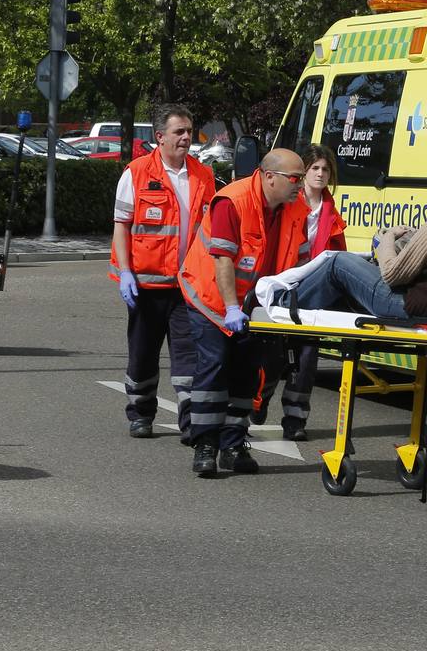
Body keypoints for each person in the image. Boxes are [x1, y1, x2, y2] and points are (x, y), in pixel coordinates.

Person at [178, 148, 306, 477]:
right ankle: (204, 444)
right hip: (212, 300)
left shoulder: (295, 208)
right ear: (269, 177)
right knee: (214, 366)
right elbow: (223, 260)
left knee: (247, 373)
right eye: (295, 178)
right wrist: (232, 308)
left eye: (302, 179)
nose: (299, 186)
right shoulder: (231, 202)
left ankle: (233, 445)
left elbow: (302, 260)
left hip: (255, 306)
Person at [268, 155, 427, 321]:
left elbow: (393, 274)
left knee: (338, 263)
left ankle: (283, 305)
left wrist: (388, 238)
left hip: (409, 307)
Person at [109, 104, 215, 440]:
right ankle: (141, 413)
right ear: (159, 137)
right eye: (179, 132)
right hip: (146, 284)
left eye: (189, 131)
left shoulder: (203, 175)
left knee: (189, 358)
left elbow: (211, 229)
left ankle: (190, 421)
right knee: (143, 355)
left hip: (187, 286)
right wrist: (126, 272)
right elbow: (121, 226)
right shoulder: (137, 172)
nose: (186, 138)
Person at [254, 144, 346, 442]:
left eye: (325, 169)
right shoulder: (289, 202)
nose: (320, 174)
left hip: (313, 293)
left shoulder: (332, 213)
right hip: (282, 286)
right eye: (315, 168)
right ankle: (260, 399)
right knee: (273, 355)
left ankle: (295, 418)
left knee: (306, 357)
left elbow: (338, 256)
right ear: (303, 172)